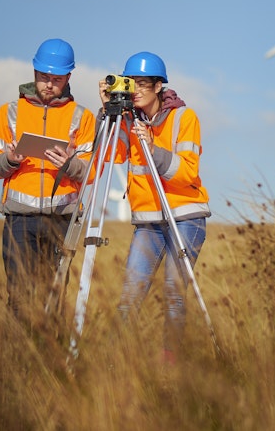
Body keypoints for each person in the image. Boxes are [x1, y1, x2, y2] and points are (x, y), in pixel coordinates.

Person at [98, 51, 211, 363]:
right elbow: (110, 155)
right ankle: (111, 360)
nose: (135, 89)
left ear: (159, 86)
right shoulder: (127, 120)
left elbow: (187, 171)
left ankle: (170, 361)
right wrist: (107, 112)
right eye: (130, 83)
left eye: (143, 83)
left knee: (174, 293)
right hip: (148, 221)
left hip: (185, 215)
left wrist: (152, 147)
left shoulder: (184, 118)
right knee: (130, 292)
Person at [0, 38, 96, 321]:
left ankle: (47, 357)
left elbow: (92, 170)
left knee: (52, 297)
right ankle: (19, 357)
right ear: (34, 72)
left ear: (69, 77)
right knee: (18, 296)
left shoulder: (82, 117)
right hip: (20, 221)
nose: (49, 84)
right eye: (44, 77)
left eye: (56, 79)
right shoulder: (9, 113)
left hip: (61, 220)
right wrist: (8, 161)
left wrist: (70, 165)